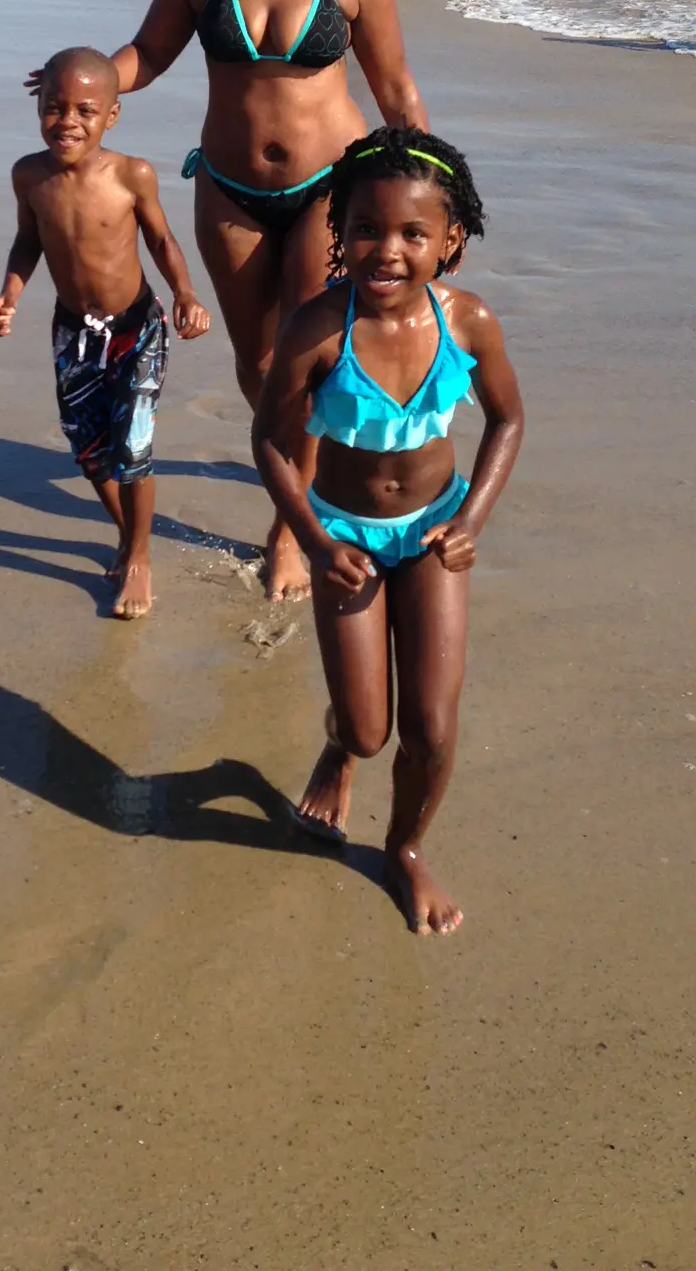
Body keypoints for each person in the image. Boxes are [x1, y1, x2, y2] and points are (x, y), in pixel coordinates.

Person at [44, 0, 426, 599]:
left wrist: (433, 196)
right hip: (228, 191)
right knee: (258, 365)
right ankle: (294, 471)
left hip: (332, 188)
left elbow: (397, 93)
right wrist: (89, 80)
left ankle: (292, 525)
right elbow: (148, 55)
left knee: (306, 359)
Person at [252, 128, 522, 933]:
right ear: (340, 231)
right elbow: (270, 441)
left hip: (435, 532)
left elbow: (507, 420)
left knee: (431, 729)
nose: (388, 251)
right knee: (370, 729)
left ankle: (404, 848)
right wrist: (312, 538)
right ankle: (340, 747)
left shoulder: (468, 322)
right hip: (345, 535)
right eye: (367, 229)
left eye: (413, 233)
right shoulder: (317, 329)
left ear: (451, 241)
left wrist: (471, 521)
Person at [0, 46, 211, 618]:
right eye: (54, 107)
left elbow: (161, 240)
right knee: (90, 453)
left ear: (111, 115)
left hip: (136, 328)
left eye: (85, 111)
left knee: (132, 446)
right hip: (74, 332)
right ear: (38, 105)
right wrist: (9, 295)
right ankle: (128, 533)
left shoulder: (131, 174)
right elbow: (28, 241)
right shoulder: (29, 175)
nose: (67, 122)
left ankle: (138, 557)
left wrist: (185, 293)